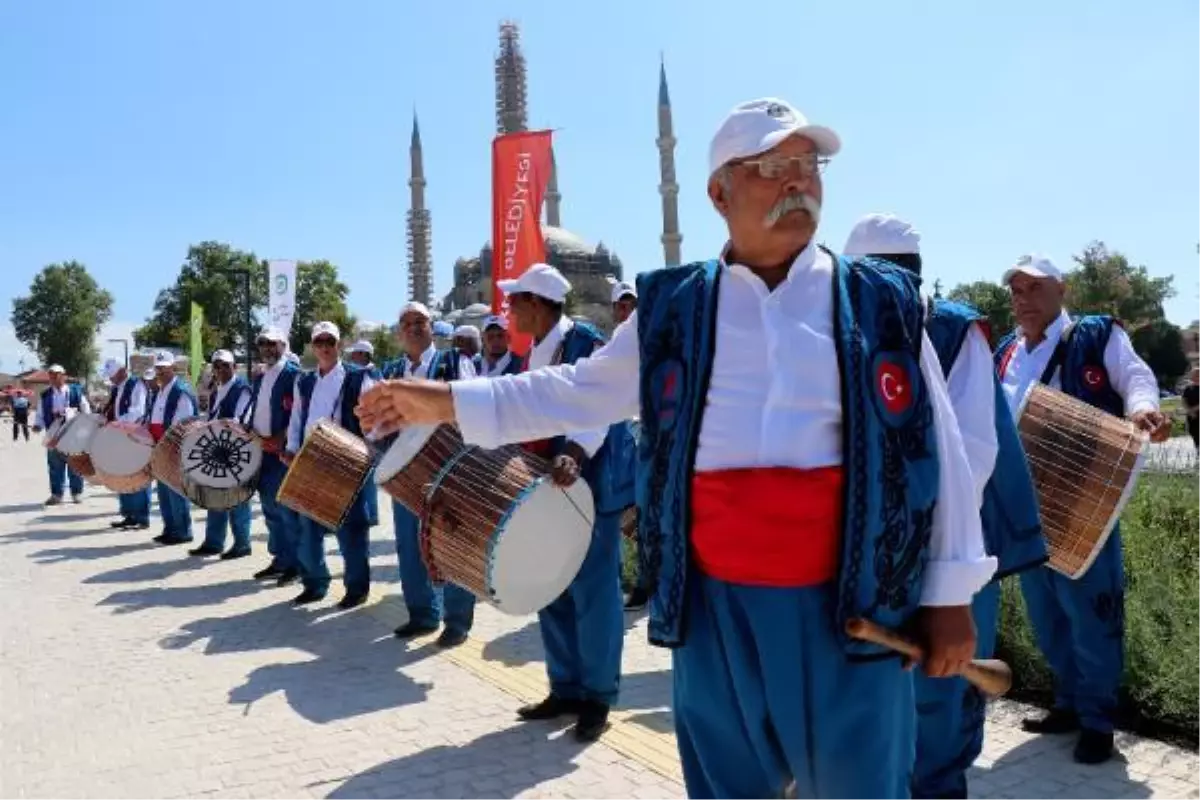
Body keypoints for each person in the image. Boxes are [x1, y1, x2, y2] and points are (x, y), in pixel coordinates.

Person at [357, 97, 994, 799]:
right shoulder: (677, 308)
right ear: (719, 191)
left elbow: (939, 451)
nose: (798, 182)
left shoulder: (881, 300)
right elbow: (574, 392)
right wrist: (442, 402)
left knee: (861, 786)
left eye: (809, 165)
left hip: (852, 607)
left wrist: (950, 592)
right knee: (728, 783)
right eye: (772, 166)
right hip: (714, 611)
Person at [844, 213, 1046, 798]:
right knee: (874, 692)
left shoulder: (956, 331)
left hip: (949, 545)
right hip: (872, 547)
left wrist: (911, 528)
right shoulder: (841, 324)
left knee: (941, 697)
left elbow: (973, 453)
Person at [998, 254, 1170, 764]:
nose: (1023, 299)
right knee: (1046, 615)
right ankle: (1068, 703)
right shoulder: (1006, 351)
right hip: (1027, 508)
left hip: (1083, 506)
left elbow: (1136, 378)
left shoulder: (1094, 338)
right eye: (1016, 291)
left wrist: (1143, 409)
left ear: (1061, 289)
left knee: (1092, 616)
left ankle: (1098, 720)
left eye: (1033, 288)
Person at [484, 262, 636, 742]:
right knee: (551, 589)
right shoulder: (533, 351)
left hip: (588, 485)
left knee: (594, 594)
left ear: (536, 303)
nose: (508, 312)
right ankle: (566, 687)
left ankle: (597, 696)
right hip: (546, 489)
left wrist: (573, 450)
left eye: (514, 303)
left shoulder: (584, 342)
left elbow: (599, 401)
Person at [382, 301, 478, 646]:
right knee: (410, 545)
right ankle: (422, 615)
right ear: (399, 331)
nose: (412, 327)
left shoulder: (455, 361)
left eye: (419, 321)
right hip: (405, 469)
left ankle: (457, 621)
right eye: (406, 322)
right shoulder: (391, 370)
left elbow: (473, 406)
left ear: (431, 325)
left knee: (450, 543)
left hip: (448, 467)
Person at [283, 322, 378, 608]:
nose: (324, 346)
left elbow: (371, 419)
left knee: (351, 529)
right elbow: (297, 417)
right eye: (319, 341)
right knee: (308, 527)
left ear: (339, 344)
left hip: (346, 460)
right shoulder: (305, 380)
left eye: (330, 341)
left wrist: (368, 453)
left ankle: (357, 588)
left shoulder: (358, 376)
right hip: (311, 460)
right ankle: (314, 583)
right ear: (313, 346)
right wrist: (290, 448)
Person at [245, 328, 303, 585]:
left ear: (283, 345)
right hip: (261, 451)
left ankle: (296, 563)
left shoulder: (292, 374)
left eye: (272, 343)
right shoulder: (261, 376)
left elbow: (297, 412)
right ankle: (280, 559)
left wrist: (280, 438)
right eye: (263, 344)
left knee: (286, 510)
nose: (267, 348)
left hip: (281, 452)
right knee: (269, 509)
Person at [605, 278, 648, 612]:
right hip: (620, 438)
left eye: (630, 304)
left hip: (647, 436)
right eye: (620, 305)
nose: (626, 309)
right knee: (626, 512)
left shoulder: (654, 338)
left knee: (646, 509)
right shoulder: (610, 346)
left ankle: (645, 582)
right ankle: (634, 580)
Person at [190, 350, 254, 559]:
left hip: (236, 451)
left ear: (234, 367)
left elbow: (241, 419)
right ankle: (214, 542)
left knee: (237, 498)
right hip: (218, 448)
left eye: (225, 365)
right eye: (217, 366)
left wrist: (214, 426)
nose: (221, 369)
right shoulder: (217, 391)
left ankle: (242, 543)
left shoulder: (242, 388)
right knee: (215, 496)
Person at [146, 352, 199, 544]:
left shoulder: (181, 391)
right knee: (163, 492)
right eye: (158, 368)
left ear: (172, 368)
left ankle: (183, 531)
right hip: (159, 446)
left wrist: (169, 447)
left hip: (174, 447)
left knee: (176, 491)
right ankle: (170, 528)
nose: (160, 372)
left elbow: (184, 424)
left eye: (164, 368)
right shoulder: (160, 391)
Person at [102, 358, 151, 530]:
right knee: (122, 476)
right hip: (120, 437)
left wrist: (118, 423)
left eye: (113, 375)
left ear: (122, 371)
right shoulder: (117, 388)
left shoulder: (136, 385)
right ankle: (129, 514)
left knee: (137, 476)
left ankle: (142, 517)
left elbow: (138, 410)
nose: (111, 379)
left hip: (135, 436)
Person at [32, 364, 91, 505]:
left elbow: (86, 410)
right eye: (51, 375)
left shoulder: (75, 391)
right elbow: (40, 414)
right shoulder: (45, 395)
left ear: (63, 376)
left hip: (73, 435)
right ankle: (56, 495)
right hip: (53, 435)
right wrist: (37, 425)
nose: (54, 378)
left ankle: (76, 493)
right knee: (54, 465)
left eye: (57, 375)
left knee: (75, 464)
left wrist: (79, 420)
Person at [1184, 367, 1200, 455]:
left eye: (1198, 374)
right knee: (1195, 435)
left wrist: (1193, 409)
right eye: (1195, 374)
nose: (1197, 376)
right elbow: (1184, 400)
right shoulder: (1188, 388)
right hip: (1192, 418)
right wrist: (1189, 411)